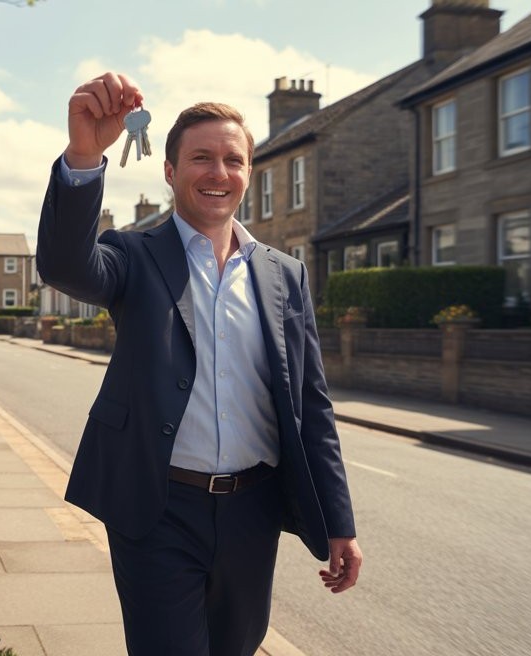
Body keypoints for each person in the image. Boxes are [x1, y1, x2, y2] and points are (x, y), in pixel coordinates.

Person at [36, 71, 362, 656]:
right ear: (169, 171)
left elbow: (311, 406)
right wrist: (84, 155)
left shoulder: (285, 275)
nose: (219, 173)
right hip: (158, 508)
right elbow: (64, 265)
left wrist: (340, 522)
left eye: (233, 160)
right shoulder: (133, 256)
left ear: (249, 172)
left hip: (254, 510)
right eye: (201, 158)